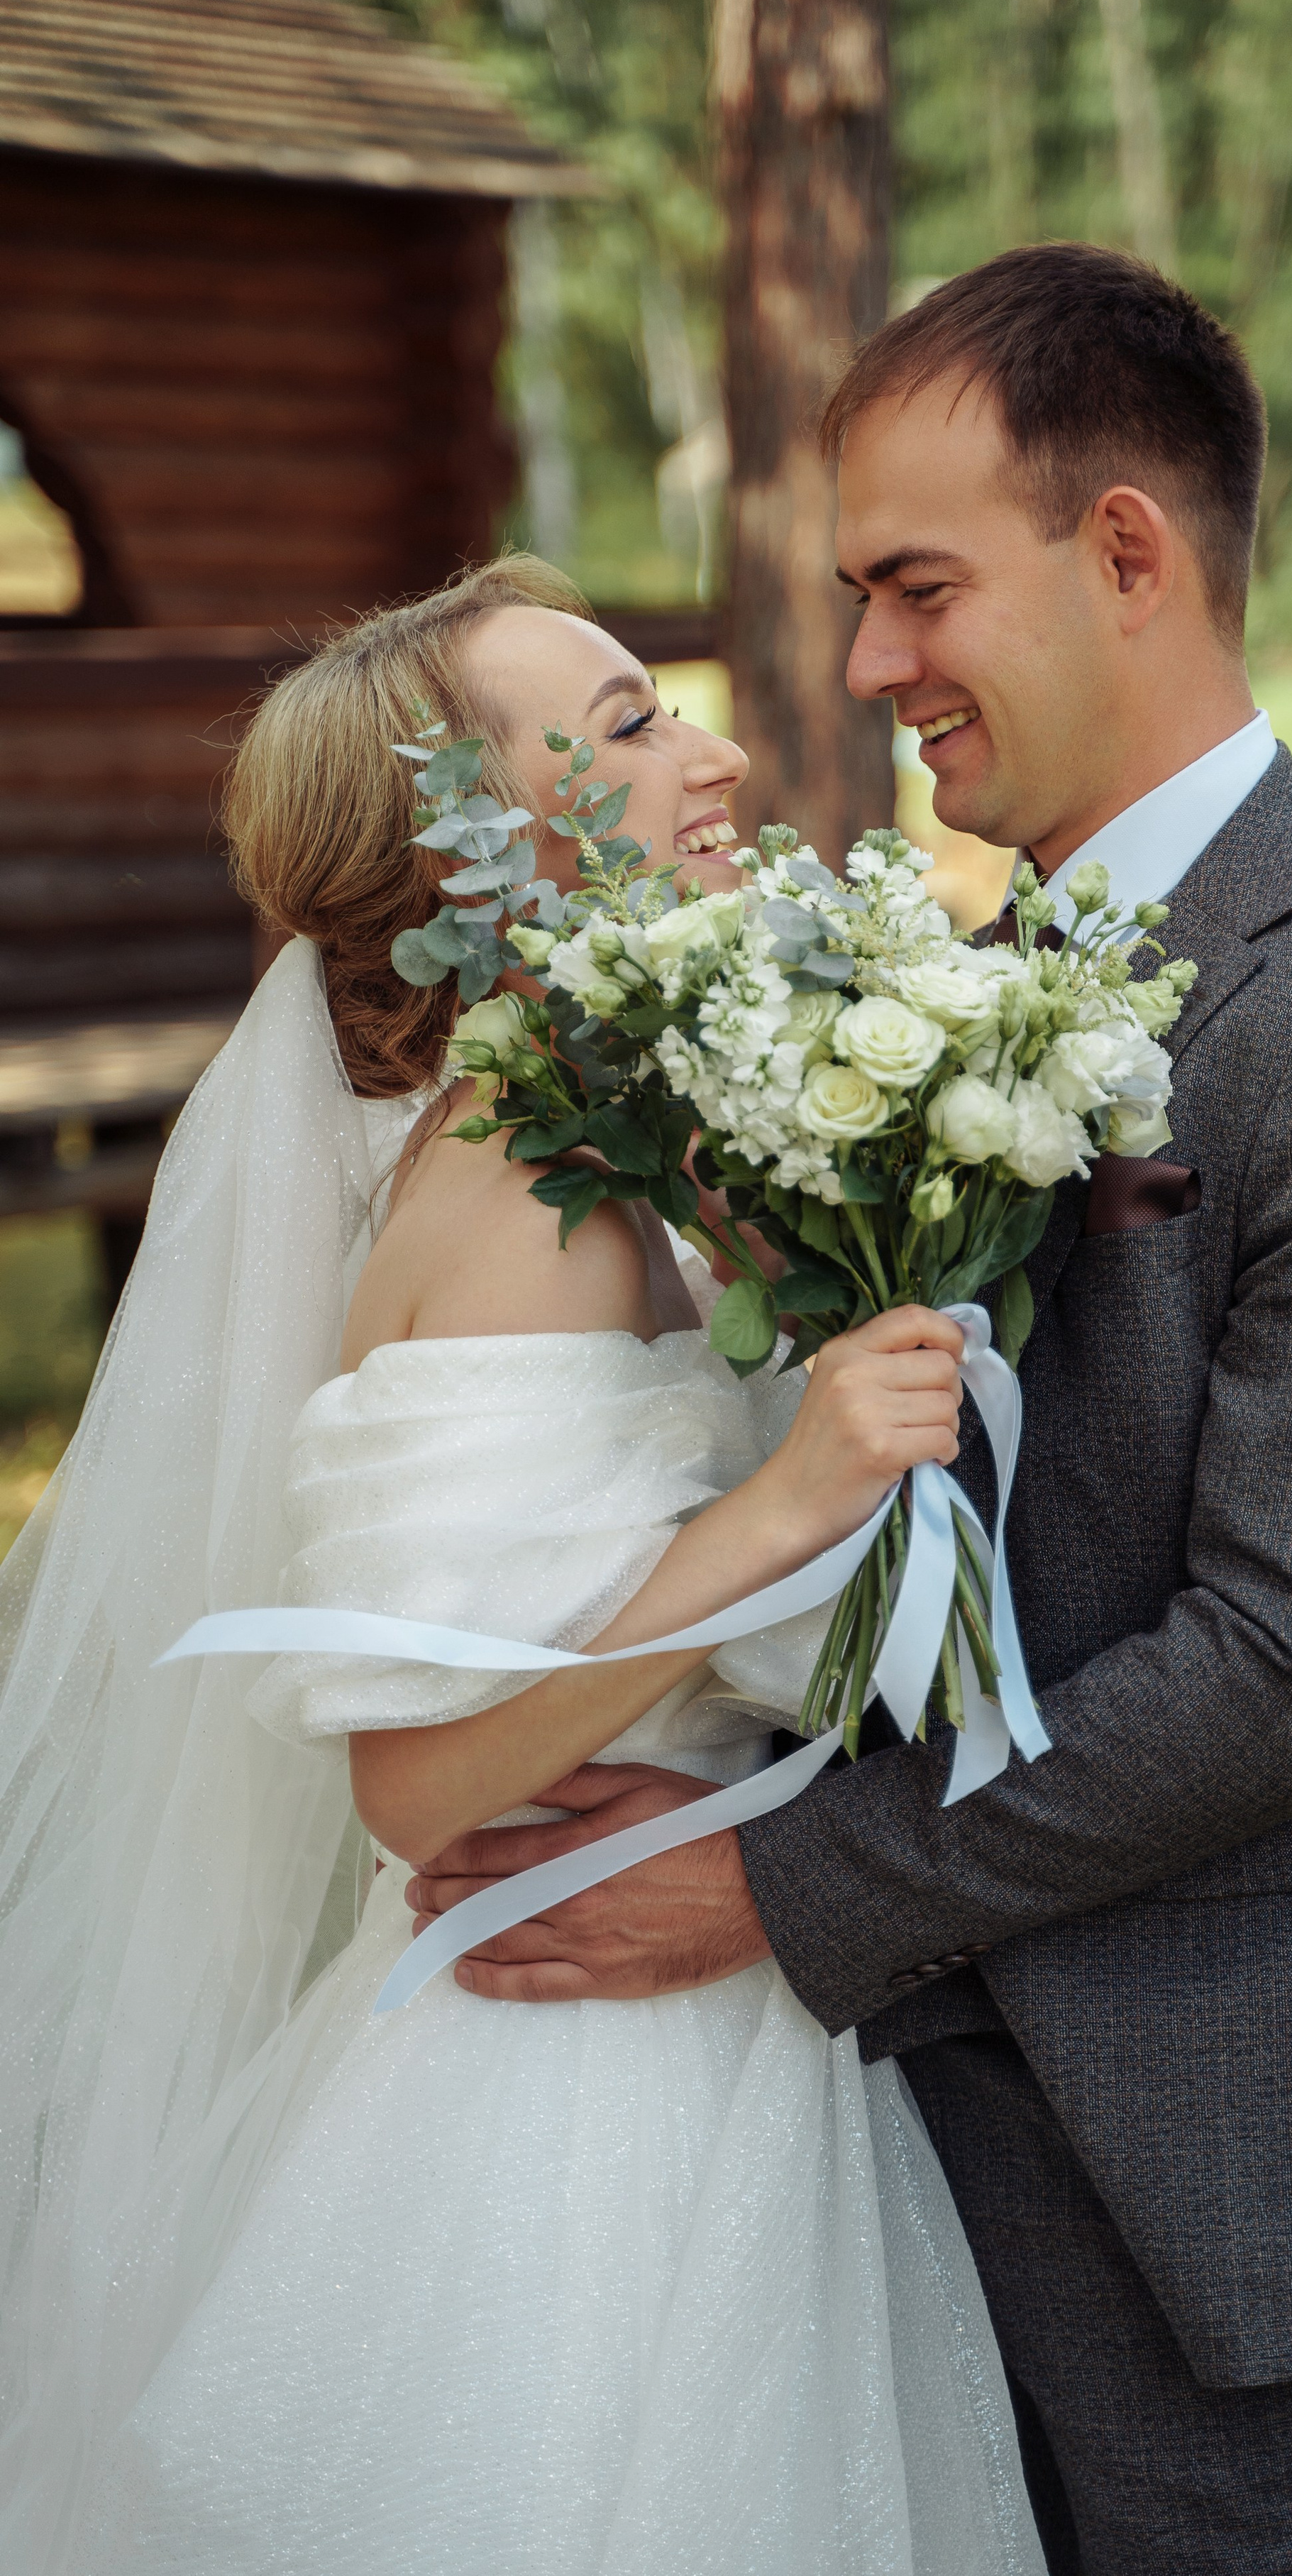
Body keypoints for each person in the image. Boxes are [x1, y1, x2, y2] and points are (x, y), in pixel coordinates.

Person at [407, 248, 1292, 2573]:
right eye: (859, 598)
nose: (865, 669)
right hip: (873, 2140)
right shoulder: (977, 977)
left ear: (1127, 553)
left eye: (916, 589)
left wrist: (759, 1886)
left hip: (1206, 2146)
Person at [0, 557, 1044, 2575]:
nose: (722, 753)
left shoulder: (632, 1143)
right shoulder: (513, 1196)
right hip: (567, 2113)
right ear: (470, 851)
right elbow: (416, 1775)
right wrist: (776, 1505)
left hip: (715, 2017)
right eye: (638, 725)